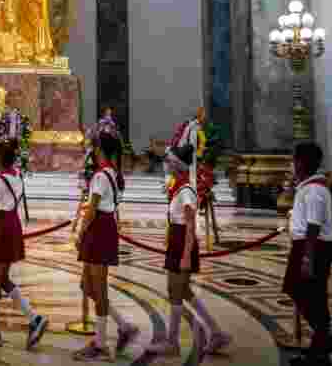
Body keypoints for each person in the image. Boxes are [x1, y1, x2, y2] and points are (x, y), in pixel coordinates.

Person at [146, 143, 231, 358]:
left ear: (177, 165)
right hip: (177, 240)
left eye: (170, 162)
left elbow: (191, 226)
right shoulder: (179, 187)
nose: (167, 165)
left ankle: (172, 343)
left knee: (175, 292)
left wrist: (185, 256)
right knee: (182, 291)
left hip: (183, 242)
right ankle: (217, 332)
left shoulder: (186, 191)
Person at [0, 140, 48, 348]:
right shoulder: (18, 178)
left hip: (0, 228)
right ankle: (34, 319)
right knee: (3, 279)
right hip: (13, 225)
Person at [74, 134, 139, 361]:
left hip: (98, 230)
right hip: (103, 227)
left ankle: (101, 345)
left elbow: (91, 209)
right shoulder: (111, 173)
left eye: (95, 147)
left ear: (101, 150)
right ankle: (123, 325)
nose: (93, 150)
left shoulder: (102, 175)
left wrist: (80, 232)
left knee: (98, 289)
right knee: (87, 285)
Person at [283, 141, 332, 365]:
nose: (292, 164)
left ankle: (322, 339)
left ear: (302, 162)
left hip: (313, 246)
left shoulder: (315, 190)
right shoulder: (309, 186)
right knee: (309, 294)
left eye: (294, 160)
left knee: (304, 292)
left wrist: (308, 256)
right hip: (309, 244)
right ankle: (321, 342)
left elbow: (314, 225)